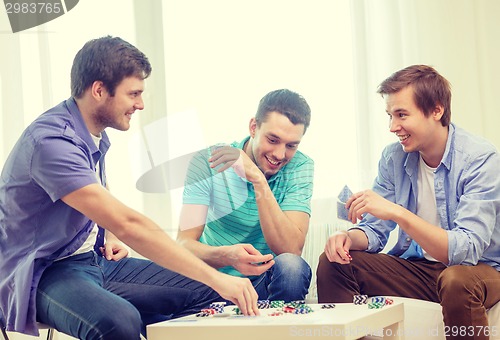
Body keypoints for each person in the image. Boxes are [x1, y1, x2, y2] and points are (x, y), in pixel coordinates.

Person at [0, 36, 260, 340]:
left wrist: (105, 233)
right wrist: (219, 277)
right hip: (44, 272)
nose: (140, 104)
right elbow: (128, 223)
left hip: (93, 261)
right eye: (133, 93)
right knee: (120, 321)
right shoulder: (52, 143)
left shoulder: (90, 132)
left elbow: (97, 194)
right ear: (99, 90)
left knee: (204, 291)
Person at [316, 65, 500, 339]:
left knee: (456, 280)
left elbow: (465, 250)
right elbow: (374, 230)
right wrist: (348, 238)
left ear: (436, 111)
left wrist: (398, 213)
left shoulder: (480, 159)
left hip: (480, 271)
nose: (392, 127)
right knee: (335, 263)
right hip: (423, 270)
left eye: (402, 115)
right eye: (390, 115)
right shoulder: (394, 158)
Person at [177, 89, 314, 302]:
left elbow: (291, 250)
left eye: (291, 146)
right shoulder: (207, 161)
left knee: (292, 267)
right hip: (214, 283)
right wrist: (227, 256)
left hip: (262, 285)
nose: (279, 154)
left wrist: (258, 180)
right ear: (253, 127)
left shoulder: (300, 167)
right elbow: (184, 244)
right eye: (272, 139)